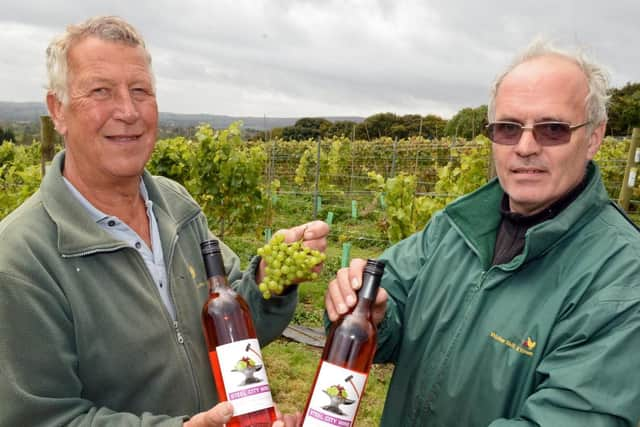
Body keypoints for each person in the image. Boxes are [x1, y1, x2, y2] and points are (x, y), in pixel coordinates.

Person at [0, 15, 328, 427]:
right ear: (58, 110)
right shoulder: (21, 259)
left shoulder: (177, 205)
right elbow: (40, 418)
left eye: (141, 91)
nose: (128, 111)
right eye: (101, 91)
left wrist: (270, 282)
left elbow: (232, 332)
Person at [326, 40, 640, 426]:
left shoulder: (623, 278)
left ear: (593, 137)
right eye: (508, 128)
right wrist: (369, 313)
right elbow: (384, 323)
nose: (525, 147)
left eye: (552, 129)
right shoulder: (454, 228)